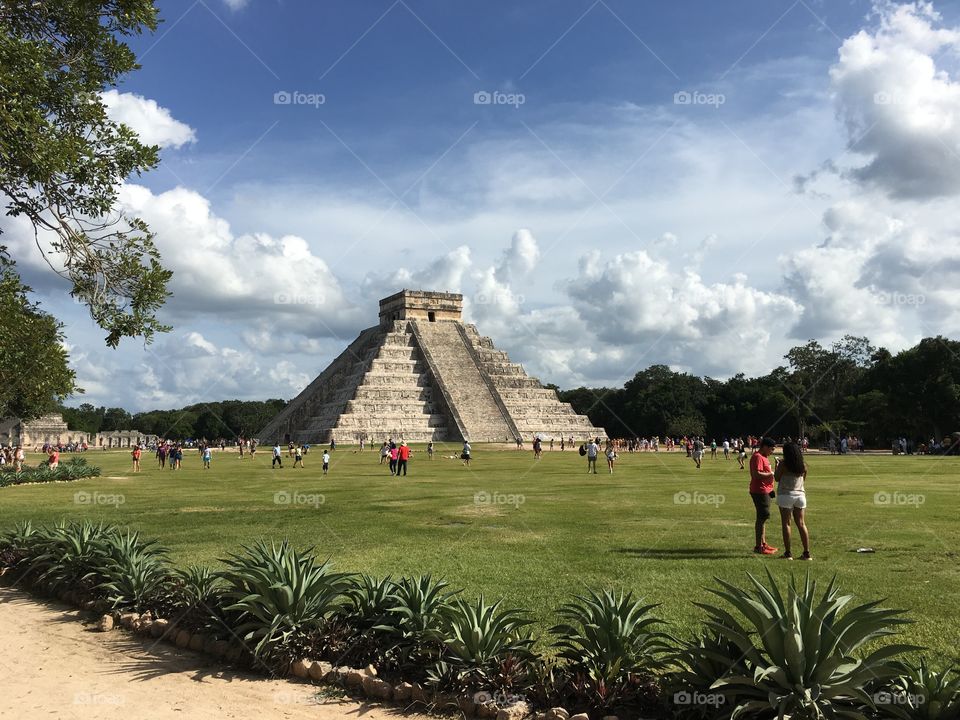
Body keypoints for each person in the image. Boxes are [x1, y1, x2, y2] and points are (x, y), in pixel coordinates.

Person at [775, 441, 811, 560]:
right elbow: (803, 480)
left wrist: (777, 464)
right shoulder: (803, 465)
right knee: (801, 524)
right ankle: (806, 553)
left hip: (785, 494)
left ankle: (788, 553)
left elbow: (776, 478)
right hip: (800, 495)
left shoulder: (784, 464)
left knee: (786, 523)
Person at [749, 437, 779, 555]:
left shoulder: (764, 457)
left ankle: (763, 543)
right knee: (762, 517)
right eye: (771, 449)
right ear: (765, 447)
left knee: (763, 518)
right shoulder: (757, 457)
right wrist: (770, 474)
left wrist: (775, 467)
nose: (772, 452)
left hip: (766, 490)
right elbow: (756, 474)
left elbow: (772, 475)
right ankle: (758, 546)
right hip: (759, 491)